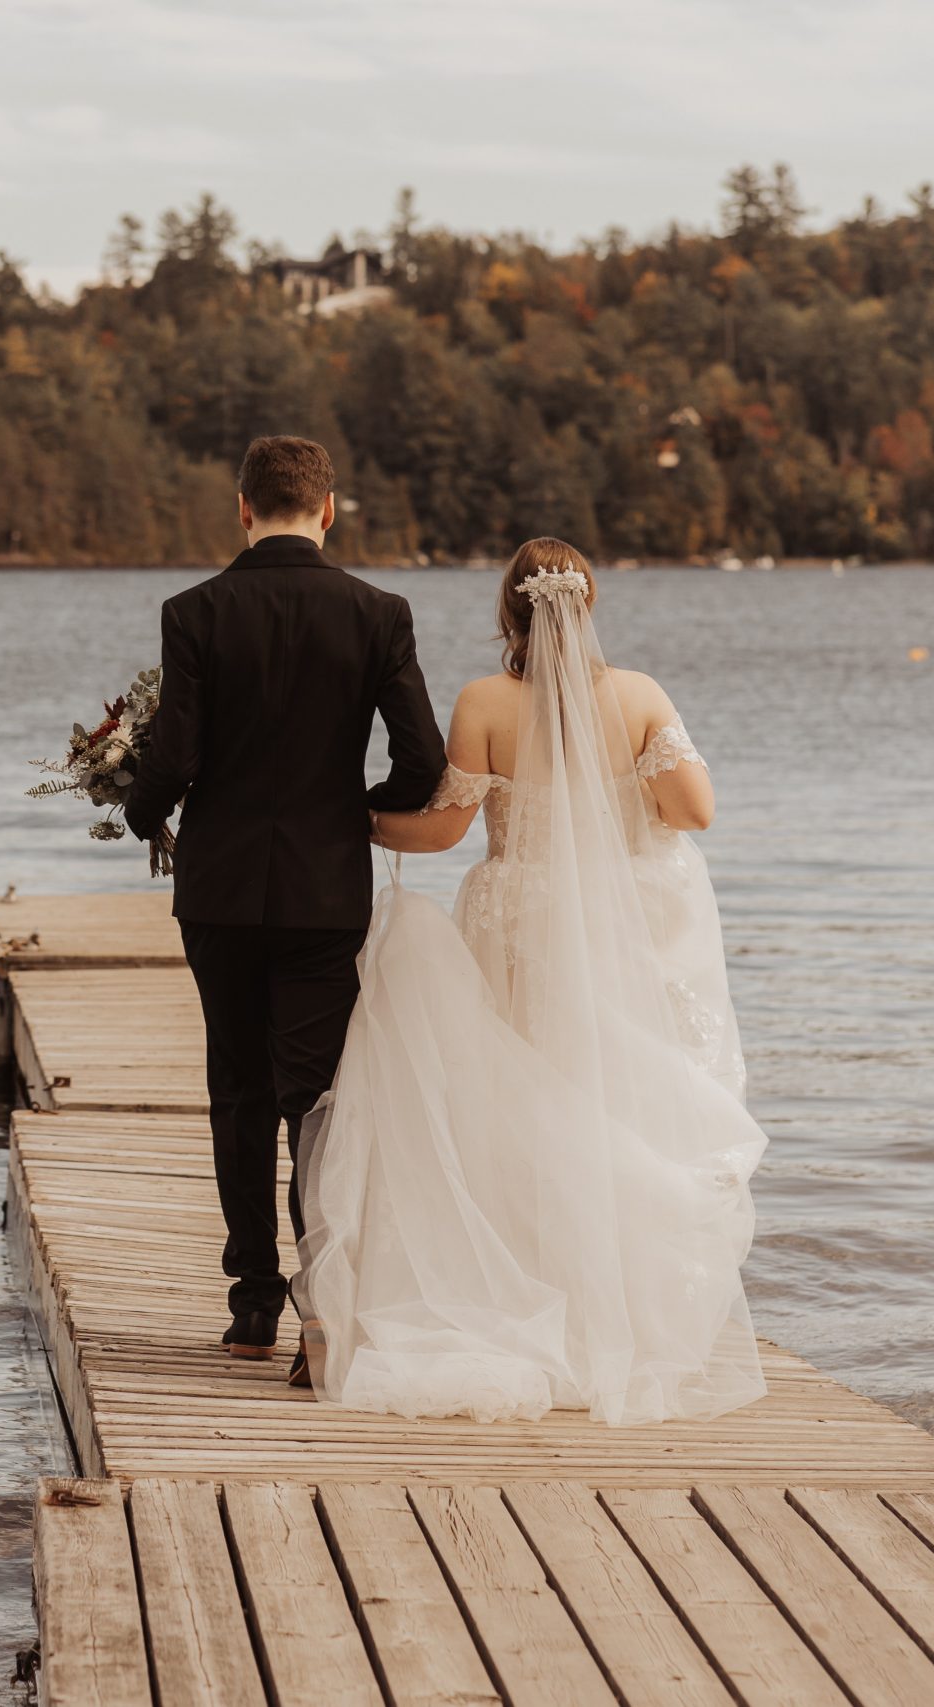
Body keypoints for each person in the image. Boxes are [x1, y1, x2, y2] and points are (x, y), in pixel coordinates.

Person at [291, 539, 766, 1424]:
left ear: (508, 613)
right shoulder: (639, 696)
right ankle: (612, 1316)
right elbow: (693, 811)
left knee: (513, 1102)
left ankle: (517, 1294)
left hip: (514, 926)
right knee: (608, 1103)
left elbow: (438, 834)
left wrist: (347, 816)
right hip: (615, 932)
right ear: (587, 607)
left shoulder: (484, 702)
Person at [122, 436, 447, 1385]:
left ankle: (252, 1304)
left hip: (221, 889)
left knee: (238, 1088)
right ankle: (324, 1308)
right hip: (323, 888)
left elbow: (174, 755)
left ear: (242, 507)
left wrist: (140, 806)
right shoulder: (378, 613)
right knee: (315, 1097)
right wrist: (356, 810)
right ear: (328, 509)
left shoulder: (195, 612)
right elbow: (422, 758)